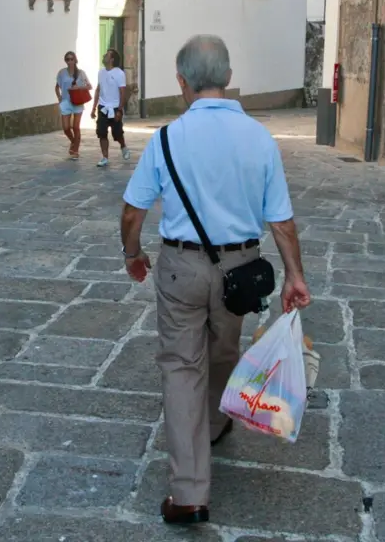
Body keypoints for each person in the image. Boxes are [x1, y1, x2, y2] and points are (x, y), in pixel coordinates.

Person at [119, 34, 311, 526]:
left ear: (182, 82)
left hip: (181, 268)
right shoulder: (260, 139)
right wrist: (294, 275)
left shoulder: (165, 139)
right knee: (225, 350)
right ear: (227, 78)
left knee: (183, 367)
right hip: (240, 273)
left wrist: (134, 254)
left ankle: (189, 492)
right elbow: (282, 220)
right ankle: (216, 423)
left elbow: (131, 213)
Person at [92, 48, 130, 167]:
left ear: (112, 59)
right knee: (102, 132)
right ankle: (105, 157)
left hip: (114, 108)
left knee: (117, 133)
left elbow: (123, 92)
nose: (104, 56)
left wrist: (119, 109)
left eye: (107, 55)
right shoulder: (101, 72)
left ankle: (123, 147)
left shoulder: (119, 73)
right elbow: (98, 89)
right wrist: (93, 108)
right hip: (103, 107)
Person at [54, 51, 90, 160]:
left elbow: (89, 86)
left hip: (78, 102)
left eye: (71, 59)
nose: (70, 61)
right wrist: (59, 97)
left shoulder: (81, 73)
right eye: (67, 59)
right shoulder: (62, 73)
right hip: (65, 102)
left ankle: (76, 150)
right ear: (65, 61)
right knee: (65, 128)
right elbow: (57, 86)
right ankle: (74, 142)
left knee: (76, 127)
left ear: (75, 60)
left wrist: (78, 88)